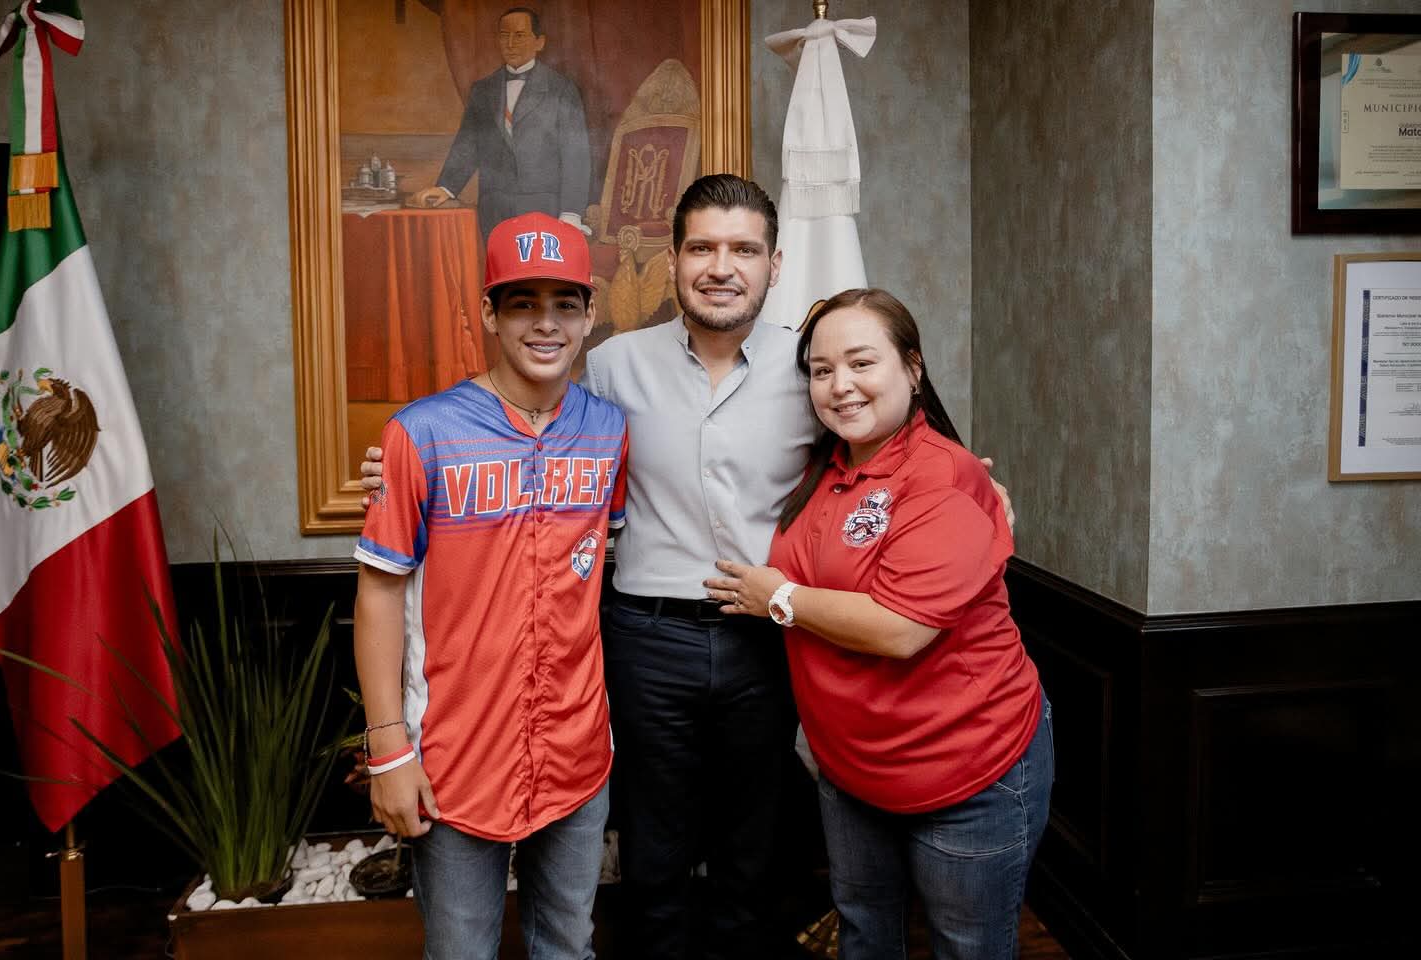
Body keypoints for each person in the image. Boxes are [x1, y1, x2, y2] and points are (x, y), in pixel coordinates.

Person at [362, 175, 1014, 959]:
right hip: (643, 637)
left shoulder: (810, 368)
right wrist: (396, 468)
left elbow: (874, 439)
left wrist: (969, 480)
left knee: (755, 845)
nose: (721, 265)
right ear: (672, 260)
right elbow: (519, 426)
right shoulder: (609, 367)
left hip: (767, 634)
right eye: (702, 246)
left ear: (774, 266)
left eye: (744, 249)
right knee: (653, 850)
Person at [701, 287, 1052, 960]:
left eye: (862, 363)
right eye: (822, 371)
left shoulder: (942, 474)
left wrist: (780, 599)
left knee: (966, 946)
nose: (840, 386)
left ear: (913, 369)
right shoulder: (825, 468)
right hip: (851, 773)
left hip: (966, 771)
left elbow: (900, 628)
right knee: (864, 933)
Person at [352, 211, 627, 960]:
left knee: (567, 947)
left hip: (575, 749)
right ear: (487, 312)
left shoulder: (608, 431)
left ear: (590, 313)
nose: (546, 323)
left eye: (564, 303)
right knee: (462, 951)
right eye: (521, 302)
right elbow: (378, 595)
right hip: (455, 758)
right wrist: (389, 753)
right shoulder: (422, 434)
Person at [408, 6, 591, 240]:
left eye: (519, 35)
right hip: (493, 209)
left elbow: (576, 156)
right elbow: (468, 144)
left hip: (545, 209)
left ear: (540, 42)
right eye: (504, 36)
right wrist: (446, 187)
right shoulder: (483, 90)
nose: (510, 44)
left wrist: (571, 213)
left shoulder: (561, 89)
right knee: (499, 274)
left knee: (536, 276)